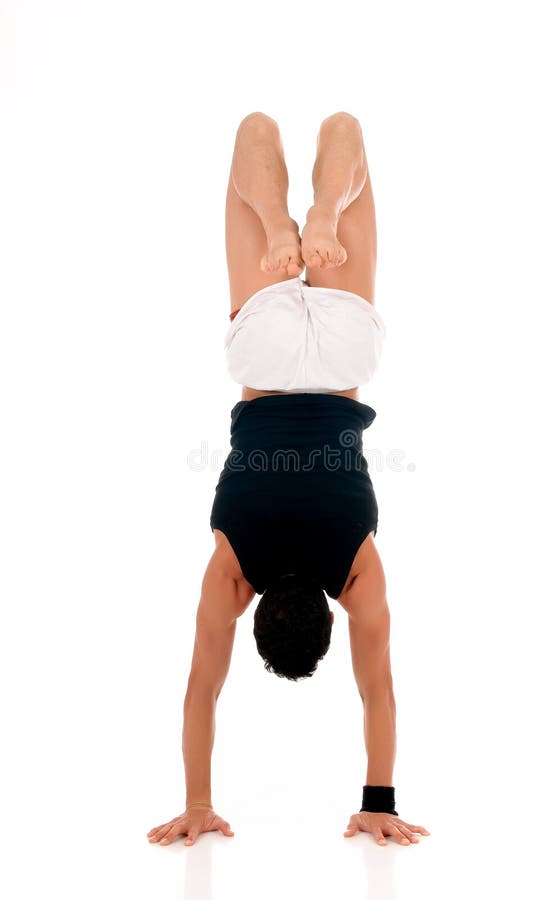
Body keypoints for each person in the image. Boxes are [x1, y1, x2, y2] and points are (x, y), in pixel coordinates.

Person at [147, 112, 430, 849]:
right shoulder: (231, 566)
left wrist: (380, 799)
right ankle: (282, 220)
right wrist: (196, 802)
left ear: (330, 614)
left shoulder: (357, 571)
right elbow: (199, 693)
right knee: (255, 132)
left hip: (341, 366)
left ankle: (322, 214)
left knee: (344, 131)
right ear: (253, 607)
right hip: (265, 366)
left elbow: (379, 693)